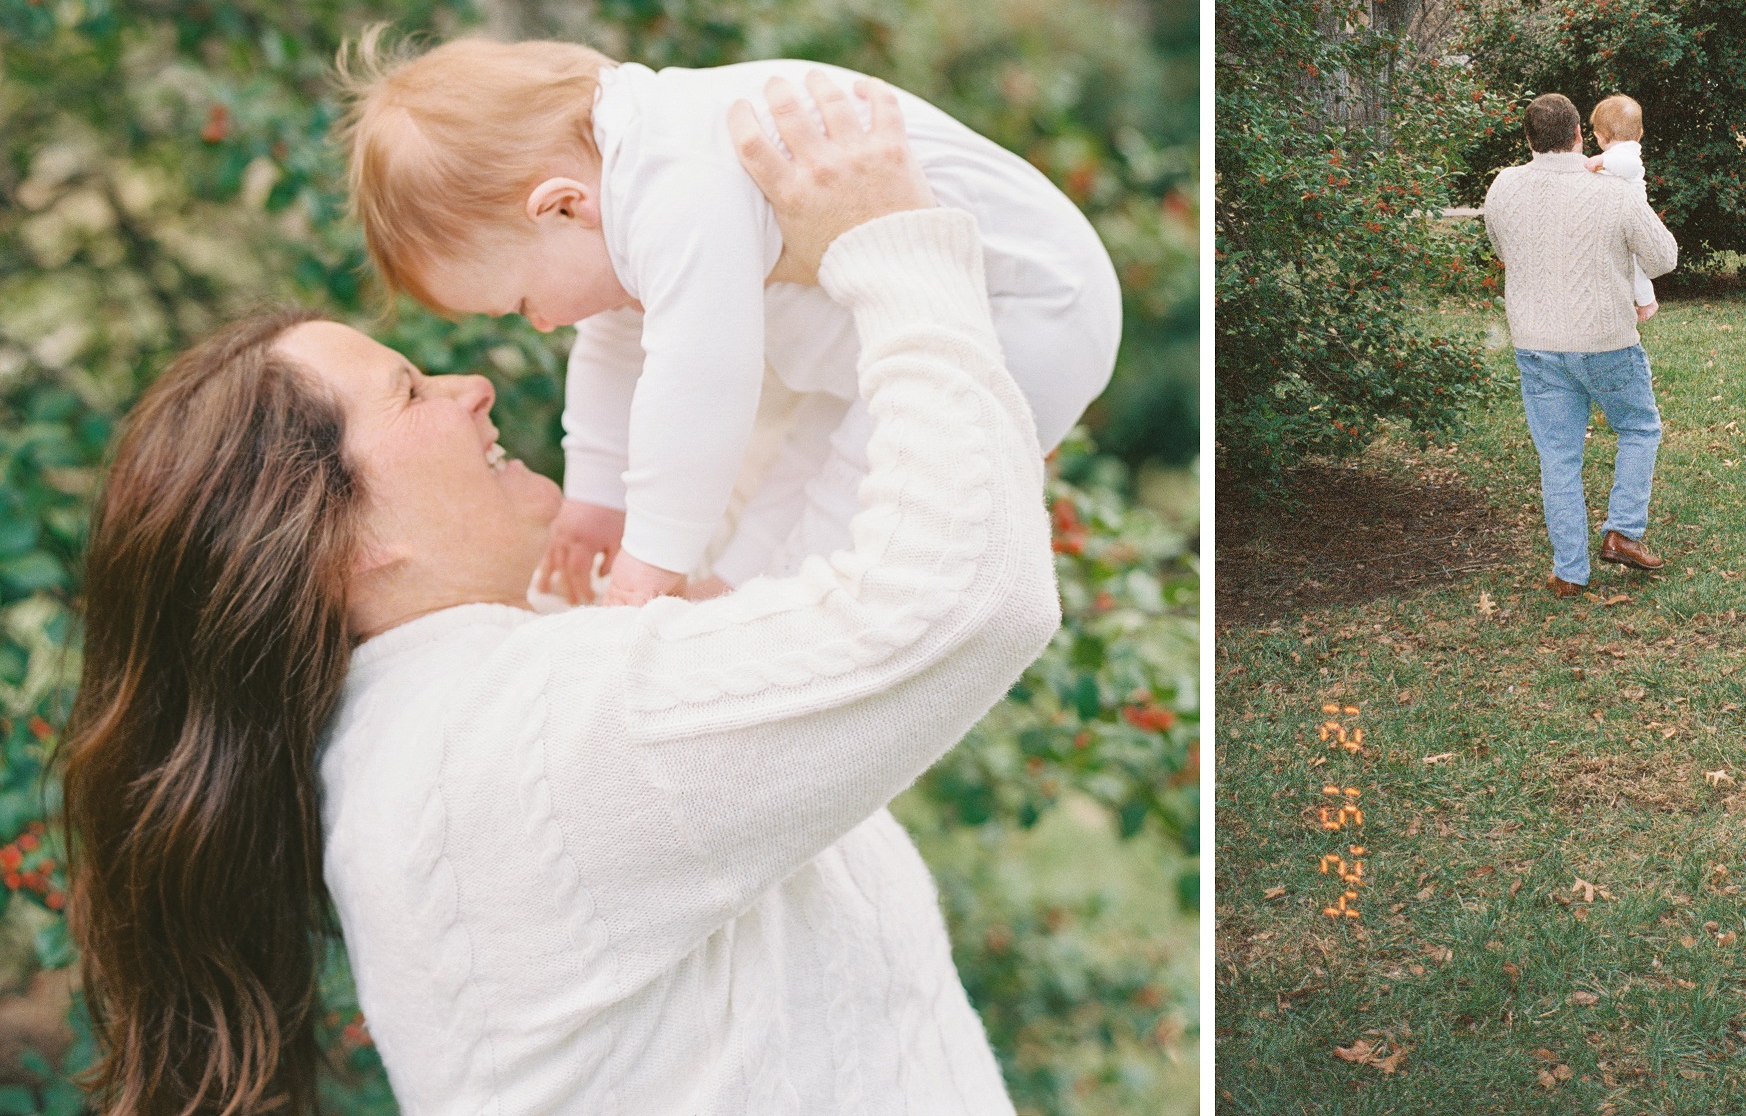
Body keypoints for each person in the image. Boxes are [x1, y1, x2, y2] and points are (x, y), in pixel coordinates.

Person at [59, 74, 1057, 1116]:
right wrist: (894, 241)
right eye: (409, 390)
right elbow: (966, 596)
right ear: (338, 550)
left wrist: (701, 270)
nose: (471, 387)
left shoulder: (463, 708)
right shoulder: (522, 736)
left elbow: (784, 517)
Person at [343, 36, 1121, 606]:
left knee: (857, 481)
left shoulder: (675, 179)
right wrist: (594, 496)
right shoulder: (625, 186)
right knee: (811, 458)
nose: (542, 324)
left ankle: (757, 610)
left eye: (520, 303)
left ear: (561, 207)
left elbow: (699, 379)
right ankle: (730, 595)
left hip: (1030, 312)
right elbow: (615, 349)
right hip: (882, 330)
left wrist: (651, 558)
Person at [1483, 92, 1680, 593]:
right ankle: (1622, 531)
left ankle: (1569, 572)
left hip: (1536, 341)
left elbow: (1503, 247)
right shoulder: (1615, 191)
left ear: (1529, 140)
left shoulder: (1504, 186)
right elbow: (1664, 259)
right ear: (1577, 135)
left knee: (1558, 457)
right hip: (1607, 339)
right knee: (1639, 428)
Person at [1584, 94, 1660, 322]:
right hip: (1618, 220)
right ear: (1640, 132)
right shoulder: (1613, 156)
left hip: (1634, 219)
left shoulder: (1626, 154)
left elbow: (1630, 166)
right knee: (1626, 263)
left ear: (1598, 136)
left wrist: (1603, 162)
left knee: (1635, 263)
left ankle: (1648, 301)